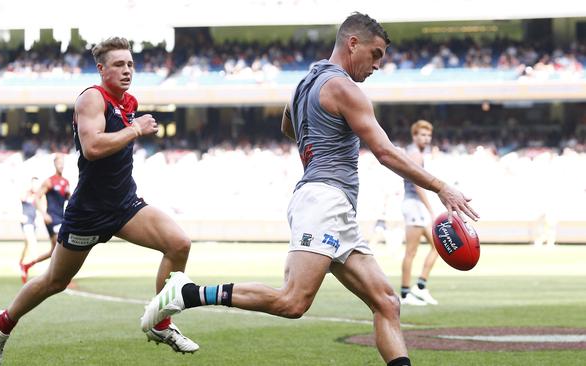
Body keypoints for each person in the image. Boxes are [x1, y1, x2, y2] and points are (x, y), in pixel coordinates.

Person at [141, 13, 478, 366]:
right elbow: (384, 152)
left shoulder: (304, 83)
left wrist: (320, 143)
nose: (378, 64)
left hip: (333, 205)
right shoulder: (345, 87)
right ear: (352, 44)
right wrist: (441, 187)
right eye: (375, 54)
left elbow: (289, 123)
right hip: (324, 201)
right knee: (293, 301)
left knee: (387, 302)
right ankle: (188, 293)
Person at [0, 37, 198, 366]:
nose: (127, 70)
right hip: (88, 213)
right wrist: (136, 130)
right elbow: (92, 148)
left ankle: (160, 321)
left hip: (125, 205)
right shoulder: (91, 99)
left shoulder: (128, 101)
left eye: (130, 64)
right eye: (119, 65)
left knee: (179, 244)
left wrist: (132, 129)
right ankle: (1, 324)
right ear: (102, 69)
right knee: (54, 281)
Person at [399, 120, 439, 306]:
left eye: (428, 135)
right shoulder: (415, 154)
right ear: (414, 136)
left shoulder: (418, 153)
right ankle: (406, 293)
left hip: (416, 205)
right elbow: (417, 183)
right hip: (415, 204)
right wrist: (430, 209)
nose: (426, 138)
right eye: (422, 135)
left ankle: (420, 287)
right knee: (412, 251)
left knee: (437, 246)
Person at [20, 155, 70, 283]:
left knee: (54, 251)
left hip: (61, 218)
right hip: (51, 218)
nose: (61, 165)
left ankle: (27, 265)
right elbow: (37, 198)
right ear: (55, 164)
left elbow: (68, 199)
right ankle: (58, 275)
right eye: (59, 163)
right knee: (62, 246)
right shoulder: (49, 181)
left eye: (62, 163)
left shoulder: (65, 182)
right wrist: (43, 214)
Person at [18, 177, 40, 283]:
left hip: (33, 222)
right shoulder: (25, 194)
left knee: (27, 245)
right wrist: (19, 215)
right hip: (26, 221)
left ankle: (21, 263)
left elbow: (40, 208)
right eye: (34, 184)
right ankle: (30, 267)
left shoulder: (38, 195)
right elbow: (18, 204)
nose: (35, 186)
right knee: (32, 243)